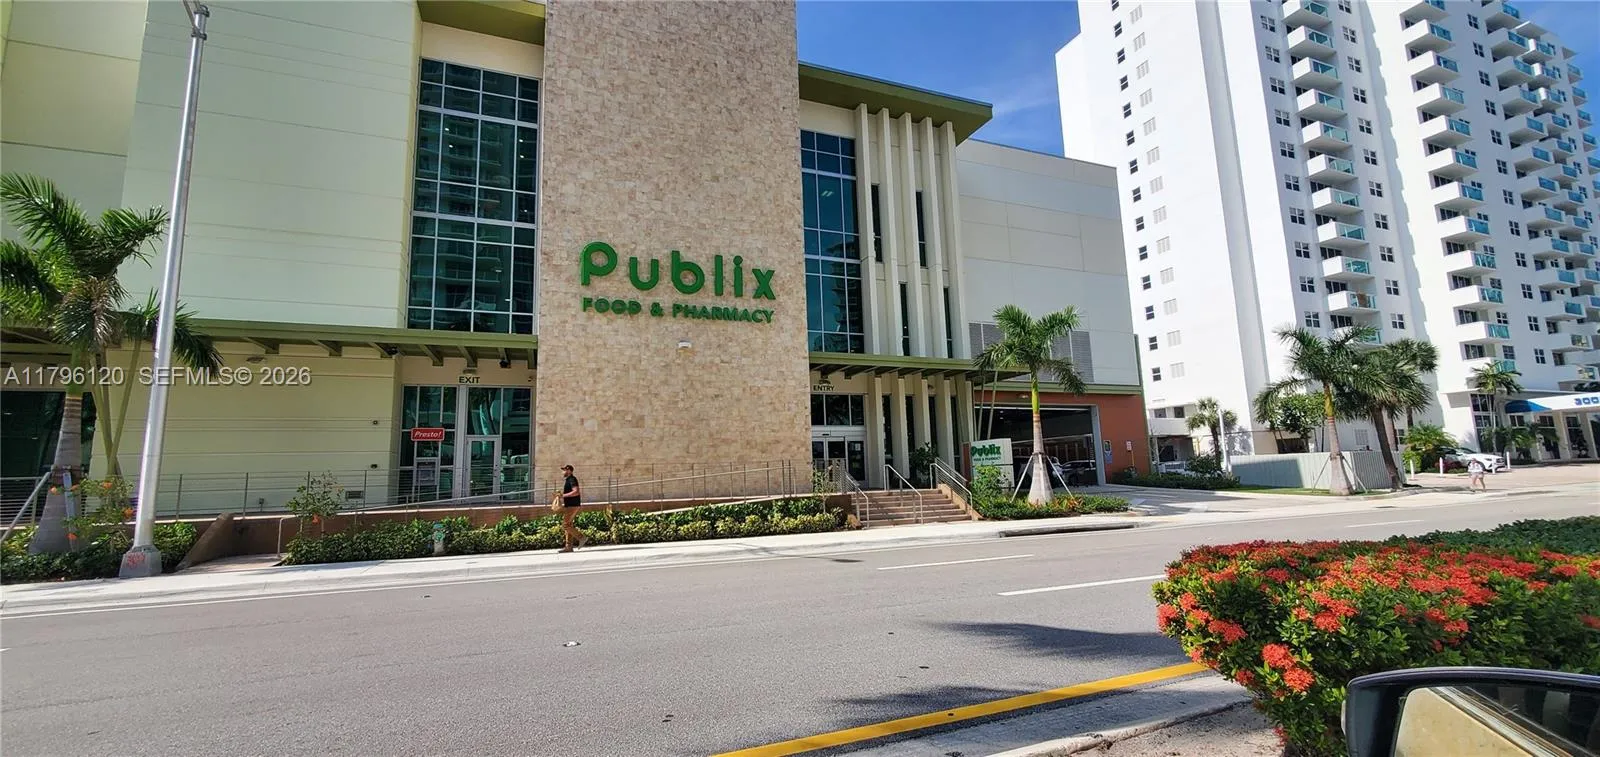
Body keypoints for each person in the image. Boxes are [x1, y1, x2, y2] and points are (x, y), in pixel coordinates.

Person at [557, 465, 587, 552]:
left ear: (569, 470)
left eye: (564, 470)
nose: (562, 472)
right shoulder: (568, 480)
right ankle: (568, 547)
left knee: (565, 525)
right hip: (570, 505)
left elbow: (576, 492)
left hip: (572, 506)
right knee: (569, 525)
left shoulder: (572, 479)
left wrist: (563, 495)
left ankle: (581, 538)